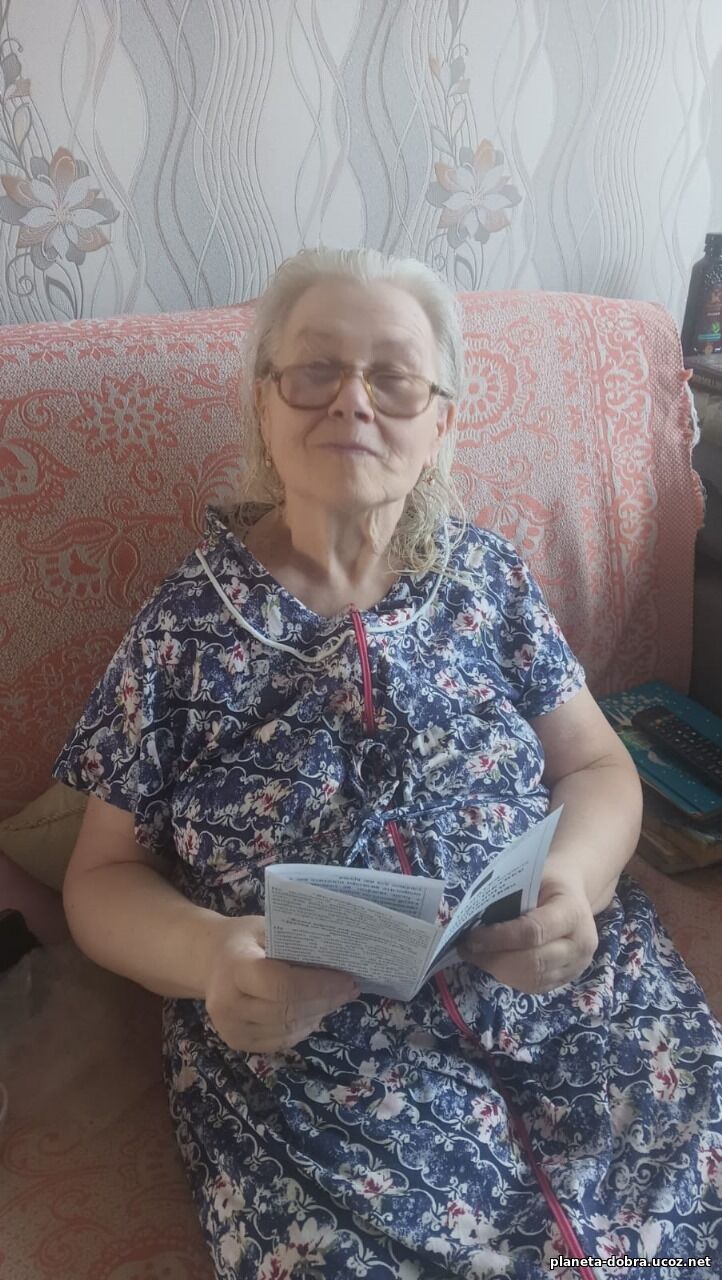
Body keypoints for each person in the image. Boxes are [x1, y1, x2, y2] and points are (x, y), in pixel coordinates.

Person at [53, 247, 722, 1280]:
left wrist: (574, 884)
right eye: (314, 371)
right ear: (264, 407)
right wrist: (210, 955)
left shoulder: (488, 576)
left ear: (440, 422)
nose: (353, 402)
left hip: (564, 993)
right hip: (312, 1055)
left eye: (395, 378)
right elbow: (97, 876)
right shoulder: (183, 626)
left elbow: (595, 765)